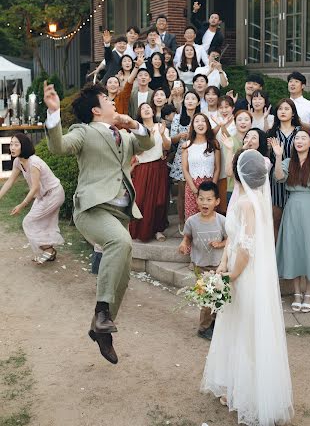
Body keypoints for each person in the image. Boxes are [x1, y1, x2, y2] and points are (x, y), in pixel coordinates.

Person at [43, 81, 154, 365]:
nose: (111, 100)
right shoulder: (84, 132)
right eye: (106, 98)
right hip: (92, 209)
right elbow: (58, 147)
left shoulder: (123, 135)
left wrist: (133, 124)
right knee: (120, 242)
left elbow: (148, 143)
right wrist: (54, 114)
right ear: (96, 109)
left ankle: (101, 328)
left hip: (119, 213)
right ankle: (102, 312)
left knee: (124, 273)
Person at [201, 149, 293, 426]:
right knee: (240, 328)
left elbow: (246, 247)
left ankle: (247, 392)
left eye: (233, 163)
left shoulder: (245, 205)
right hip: (239, 270)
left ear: (241, 172)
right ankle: (235, 385)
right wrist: (221, 266)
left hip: (245, 275)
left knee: (244, 329)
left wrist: (231, 275)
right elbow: (234, 239)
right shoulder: (251, 200)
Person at [272, 129, 310, 312]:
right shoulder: (286, 162)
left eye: (303, 138)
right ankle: (297, 293)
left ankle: (308, 292)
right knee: (294, 249)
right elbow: (278, 177)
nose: (299, 141)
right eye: (297, 138)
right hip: (292, 208)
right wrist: (277, 157)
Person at [0, 133, 65, 264]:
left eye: (16, 144)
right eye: (11, 144)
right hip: (43, 196)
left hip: (53, 194)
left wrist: (21, 205)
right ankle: (49, 251)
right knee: (37, 223)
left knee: (29, 222)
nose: (12, 147)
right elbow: (10, 181)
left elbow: (35, 188)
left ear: (23, 146)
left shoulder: (34, 162)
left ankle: (49, 250)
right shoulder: (18, 161)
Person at [179, 181, 227, 340]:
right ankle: (204, 327)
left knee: (219, 297)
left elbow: (230, 240)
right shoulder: (192, 221)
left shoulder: (222, 221)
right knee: (206, 299)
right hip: (201, 267)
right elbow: (187, 237)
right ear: (196, 199)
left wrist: (220, 244)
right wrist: (184, 244)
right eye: (201, 199)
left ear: (217, 201)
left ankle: (216, 324)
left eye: (209, 199)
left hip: (218, 266)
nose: (204, 203)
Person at [129, 103, 171, 243]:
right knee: (140, 199)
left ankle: (158, 230)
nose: (146, 110)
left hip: (159, 166)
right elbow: (138, 152)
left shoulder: (160, 127)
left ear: (153, 111)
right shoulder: (136, 130)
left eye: (148, 108)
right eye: (142, 109)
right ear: (139, 114)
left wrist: (163, 134)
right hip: (142, 167)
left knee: (159, 200)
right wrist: (148, 139)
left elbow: (167, 147)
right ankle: (140, 230)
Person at [267, 98, 302, 242]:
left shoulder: (300, 132)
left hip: (297, 177)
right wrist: (269, 150)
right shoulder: (271, 132)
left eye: (287, 109)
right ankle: (276, 257)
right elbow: (266, 158)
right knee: (276, 219)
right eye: (280, 109)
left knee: (295, 221)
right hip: (276, 178)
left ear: (293, 113)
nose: (283, 111)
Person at [170, 91, 201, 232]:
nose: (190, 101)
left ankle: (197, 220)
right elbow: (172, 139)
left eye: (193, 98)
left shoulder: (201, 118)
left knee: (198, 189)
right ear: (183, 101)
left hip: (198, 156)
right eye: (187, 98)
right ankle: (182, 221)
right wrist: (180, 135)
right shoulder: (177, 118)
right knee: (182, 191)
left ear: (198, 102)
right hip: (181, 156)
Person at [182, 113, 220, 219]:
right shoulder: (186, 145)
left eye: (203, 121)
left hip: (210, 185)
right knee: (192, 219)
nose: (200, 123)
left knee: (210, 219)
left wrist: (213, 187)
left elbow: (217, 168)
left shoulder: (214, 144)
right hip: (192, 186)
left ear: (207, 125)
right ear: (193, 126)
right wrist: (195, 190)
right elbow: (185, 169)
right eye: (197, 121)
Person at [221, 110, 253, 206]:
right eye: (239, 119)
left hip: (252, 188)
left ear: (251, 123)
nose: (243, 122)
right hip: (233, 188)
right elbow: (229, 170)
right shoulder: (229, 141)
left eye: (246, 119)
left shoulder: (255, 140)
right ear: (235, 123)